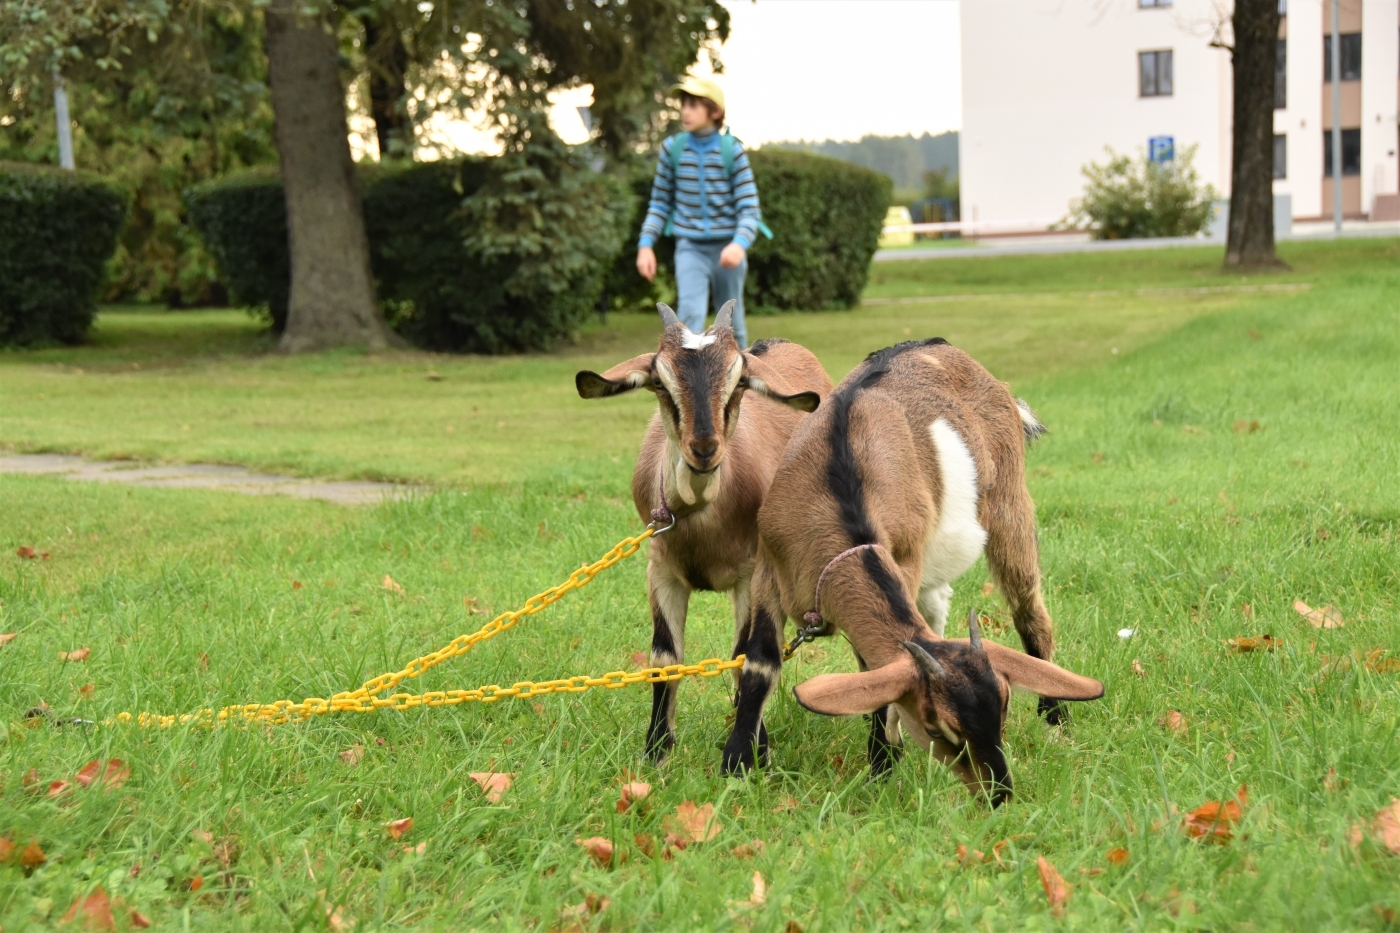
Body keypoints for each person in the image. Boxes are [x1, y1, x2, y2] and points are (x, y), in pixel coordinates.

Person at [636, 76, 765, 348]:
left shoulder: (733, 151)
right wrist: (645, 244)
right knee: (689, 322)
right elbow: (659, 203)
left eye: (694, 105)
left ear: (714, 111)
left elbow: (749, 209)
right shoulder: (673, 150)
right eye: (683, 104)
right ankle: (691, 389)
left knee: (732, 327)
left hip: (727, 249)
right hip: (690, 248)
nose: (685, 111)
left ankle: (741, 386)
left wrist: (739, 244)